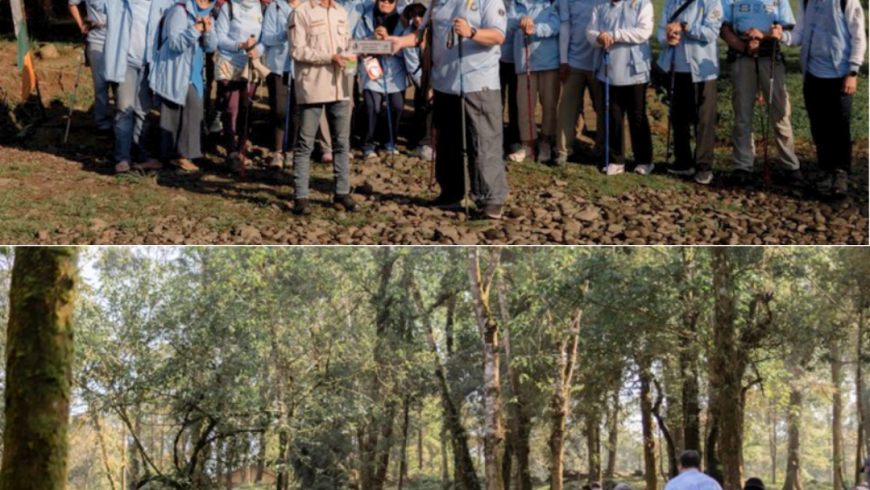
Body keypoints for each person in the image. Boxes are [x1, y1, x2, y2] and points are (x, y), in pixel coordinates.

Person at [388, 0, 511, 219]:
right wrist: (399, 41)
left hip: (478, 83)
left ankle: (491, 199)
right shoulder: (438, 2)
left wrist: (471, 32)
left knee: (483, 142)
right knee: (447, 143)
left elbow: (498, 36)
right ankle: (451, 192)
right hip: (444, 84)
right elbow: (423, 35)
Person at [782, 0, 865, 198]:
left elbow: (859, 36)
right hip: (812, 74)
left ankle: (840, 173)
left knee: (840, 126)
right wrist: (782, 35)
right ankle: (825, 171)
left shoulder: (846, 1)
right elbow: (799, 34)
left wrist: (853, 71)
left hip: (840, 74)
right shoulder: (807, 1)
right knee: (819, 127)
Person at [288, 0, 360, 216]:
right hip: (313, 86)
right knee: (304, 144)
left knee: (342, 143)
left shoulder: (340, 11)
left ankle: (342, 192)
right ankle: (301, 197)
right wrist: (329, 58)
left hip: (340, 86)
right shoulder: (300, 12)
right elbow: (297, 50)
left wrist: (353, 59)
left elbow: (347, 44)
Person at [720, 0, 802, 185]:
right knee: (742, 112)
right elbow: (724, 28)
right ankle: (743, 165)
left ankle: (790, 164)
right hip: (741, 55)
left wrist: (763, 36)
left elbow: (787, 26)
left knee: (780, 111)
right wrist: (743, 46)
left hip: (770, 55)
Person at [98, 0, 174, 173]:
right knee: (124, 109)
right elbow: (96, 3)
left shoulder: (162, 2)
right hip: (125, 63)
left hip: (149, 64)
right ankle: (122, 157)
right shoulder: (117, 2)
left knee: (143, 111)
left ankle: (143, 155)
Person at [655, 0, 723, 185]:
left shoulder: (711, 2)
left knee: (704, 119)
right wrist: (666, 38)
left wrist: (686, 26)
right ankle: (683, 161)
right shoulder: (671, 3)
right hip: (676, 67)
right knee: (678, 117)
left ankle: (703, 166)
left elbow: (711, 33)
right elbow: (660, 29)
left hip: (702, 71)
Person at [586, 0, 654, 176]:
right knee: (613, 115)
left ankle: (644, 160)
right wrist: (599, 37)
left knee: (637, 115)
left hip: (634, 70)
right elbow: (590, 32)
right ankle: (616, 160)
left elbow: (644, 32)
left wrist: (614, 34)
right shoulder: (599, 5)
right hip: (608, 69)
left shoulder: (642, 4)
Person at [151, 0, 218, 171]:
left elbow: (211, 47)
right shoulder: (179, 12)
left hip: (194, 74)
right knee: (172, 113)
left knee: (193, 112)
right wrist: (195, 30)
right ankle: (172, 156)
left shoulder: (208, 15)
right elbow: (175, 43)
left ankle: (183, 155)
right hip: (176, 71)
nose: (205, 2)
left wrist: (208, 31)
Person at [507, 0, 561, 164]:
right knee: (525, 105)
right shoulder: (516, 4)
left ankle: (545, 142)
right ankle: (527, 144)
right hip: (525, 62)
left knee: (549, 104)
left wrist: (535, 29)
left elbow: (556, 26)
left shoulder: (553, 3)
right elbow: (508, 23)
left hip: (549, 61)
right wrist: (522, 20)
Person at [214, 0, 266, 170]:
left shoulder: (261, 7)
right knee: (231, 108)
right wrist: (240, 45)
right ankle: (231, 151)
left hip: (250, 63)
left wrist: (257, 50)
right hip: (229, 62)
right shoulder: (228, 7)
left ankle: (243, 147)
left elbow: (265, 38)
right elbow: (220, 38)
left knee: (246, 107)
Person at [354, 0, 408, 159]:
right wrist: (374, 40)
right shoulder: (365, 18)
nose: (386, 3)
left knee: (397, 107)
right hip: (372, 69)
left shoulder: (402, 20)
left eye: (390, 0)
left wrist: (390, 44)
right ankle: (367, 144)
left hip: (395, 72)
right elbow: (356, 46)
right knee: (372, 107)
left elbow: (407, 48)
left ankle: (389, 142)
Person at [556, 0, 606, 166]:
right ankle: (563, 151)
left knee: (602, 108)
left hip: (598, 62)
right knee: (567, 110)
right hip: (574, 61)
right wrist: (564, 60)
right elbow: (565, 26)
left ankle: (601, 149)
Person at [262, 0, 299, 169]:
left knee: (296, 111)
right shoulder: (274, 7)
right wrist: (284, 34)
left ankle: (291, 150)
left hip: (299, 65)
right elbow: (267, 37)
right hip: (277, 66)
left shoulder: (308, 6)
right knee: (279, 109)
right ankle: (277, 151)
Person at [69, 0, 114, 135]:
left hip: (118, 40)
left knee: (120, 83)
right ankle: (103, 123)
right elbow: (72, 4)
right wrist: (81, 25)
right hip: (96, 39)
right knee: (100, 84)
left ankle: (122, 123)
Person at [402, 3, 434, 160]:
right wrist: (425, 86)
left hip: (437, 75)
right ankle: (422, 142)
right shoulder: (408, 33)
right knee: (422, 105)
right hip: (420, 76)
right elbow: (412, 65)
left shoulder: (435, 30)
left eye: (420, 15)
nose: (417, 19)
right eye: (413, 16)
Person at [500, 0, 520, 156]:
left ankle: (514, 139)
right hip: (496, 59)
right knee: (496, 103)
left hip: (517, 60)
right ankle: (497, 139)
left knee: (515, 103)